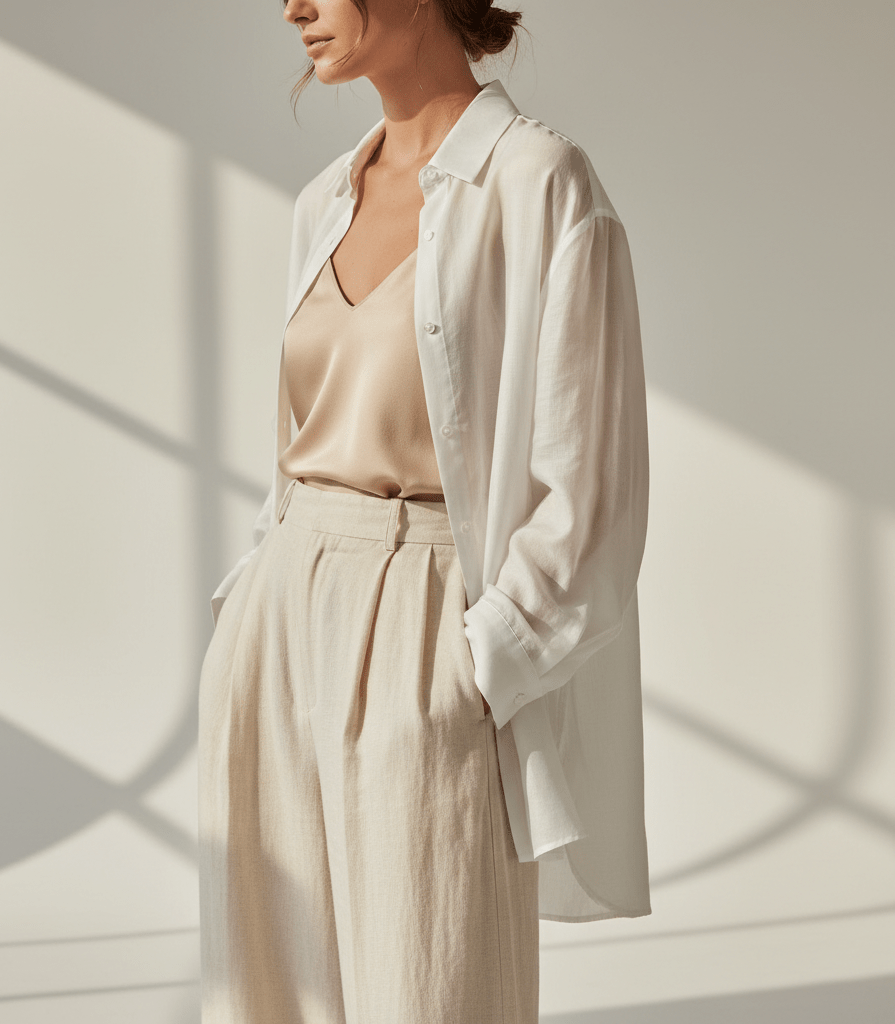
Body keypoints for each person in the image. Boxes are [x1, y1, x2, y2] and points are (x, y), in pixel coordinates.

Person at [197, 1, 652, 1021]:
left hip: (425, 632)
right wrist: (246, 607)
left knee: (432, 989)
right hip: (278, 630)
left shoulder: (538, 185)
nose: (293, 6)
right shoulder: (324, 198)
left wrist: (477, 667)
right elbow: (297, 447)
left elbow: (591, 500)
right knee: (268, 996)